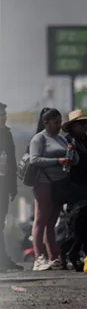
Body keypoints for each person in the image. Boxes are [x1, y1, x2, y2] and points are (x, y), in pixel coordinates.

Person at [27, 108, 77, 271]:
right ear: (46, 122)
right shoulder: (39, 139)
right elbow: (34, 160)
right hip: (43, 183)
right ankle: (38, 258)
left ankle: (53, 257)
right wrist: (57, 161)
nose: (58, 126)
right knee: (41, 220)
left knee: (51, 222)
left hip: (59, 184)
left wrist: (71, 154)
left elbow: (73, 160)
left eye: (60, 122)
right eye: (56, 123)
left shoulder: (61, 139)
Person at [0, 103, 22, 271]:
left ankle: (3, 259)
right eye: (1, 114)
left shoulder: (7, 134)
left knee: (1, 223)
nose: (4, 117)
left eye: (4, 114)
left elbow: (12, 162)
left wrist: (13, 187)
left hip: (4, 185)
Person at [62, 110, 87, 207]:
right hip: (75, 184)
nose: (85, 126)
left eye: (86, 124)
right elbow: (67, 163)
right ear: (73, 126)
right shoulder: (67, 141)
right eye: (82, 124)